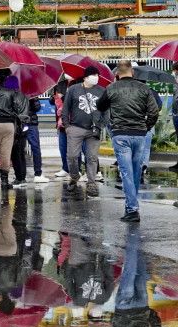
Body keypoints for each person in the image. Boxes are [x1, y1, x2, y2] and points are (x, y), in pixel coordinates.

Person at [97, 61, 159, 223]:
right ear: (132, 72)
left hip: (120, 134)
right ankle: (131, 206)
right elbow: (154, 112)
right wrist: (146, 127)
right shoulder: (144, 88)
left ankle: (132, 209)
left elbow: (100, 106)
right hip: (139, 134)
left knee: (126, 172)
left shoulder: (111, 88)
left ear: (117, 74)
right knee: (136, 171)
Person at [99, 226, 161, 327]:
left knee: (141, 272)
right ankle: (132, 232)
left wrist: (149, 314)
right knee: (129, 271)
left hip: (142, 308)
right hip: (123, 309)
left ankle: (139, 238)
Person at [63, 66, 107, 195]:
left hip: (94, 129)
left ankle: (91, 182)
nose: (96, 78)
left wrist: (102, 125)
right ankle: (74, 177)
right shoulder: (73, 89)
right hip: (75, 127)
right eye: (94, 75)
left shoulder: (101, 91)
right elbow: (66, 108)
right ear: (86, 77)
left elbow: (106, 110)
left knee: (92, 157)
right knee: (72, 156)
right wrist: (67, 126)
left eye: (97, 75)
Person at [0, 69, 26, 190]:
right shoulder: (11, 92)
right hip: (9, 125)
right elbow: (16, 109)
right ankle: (4, 181)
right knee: (6, 154)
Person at [5, 76, 30, 187]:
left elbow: (13, 111)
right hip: (24, 125)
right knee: (21, 152)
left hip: (15, 125)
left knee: (15, 153)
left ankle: (19, 177)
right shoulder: (23, 95)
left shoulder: (11, 95)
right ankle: (22, 176)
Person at [50, 74, 74, 178]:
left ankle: (76, 169)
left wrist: (63, 97)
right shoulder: (60, 84)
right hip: (61, 121)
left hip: (73, 121)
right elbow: (53, 101)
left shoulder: (78, 85)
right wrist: (53, 95)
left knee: (74, 149)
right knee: (63, 147)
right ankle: (65, 168)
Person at [140, 86, 162, 181]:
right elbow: (159, 106)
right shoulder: (152, 92)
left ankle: (136, 166)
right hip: (148, 120)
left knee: (136, 146)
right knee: (146, 147)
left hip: (135, 121)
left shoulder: (133, 91)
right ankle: (144, 166)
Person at [26, 95, 49, 183]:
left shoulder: (13, 89)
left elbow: (36, 107)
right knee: (35, 148)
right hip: (30, 123)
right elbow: (37, 107)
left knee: (18, 150)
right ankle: (38, 174)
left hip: (22, 122)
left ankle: (20, 177)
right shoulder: (31, 92)